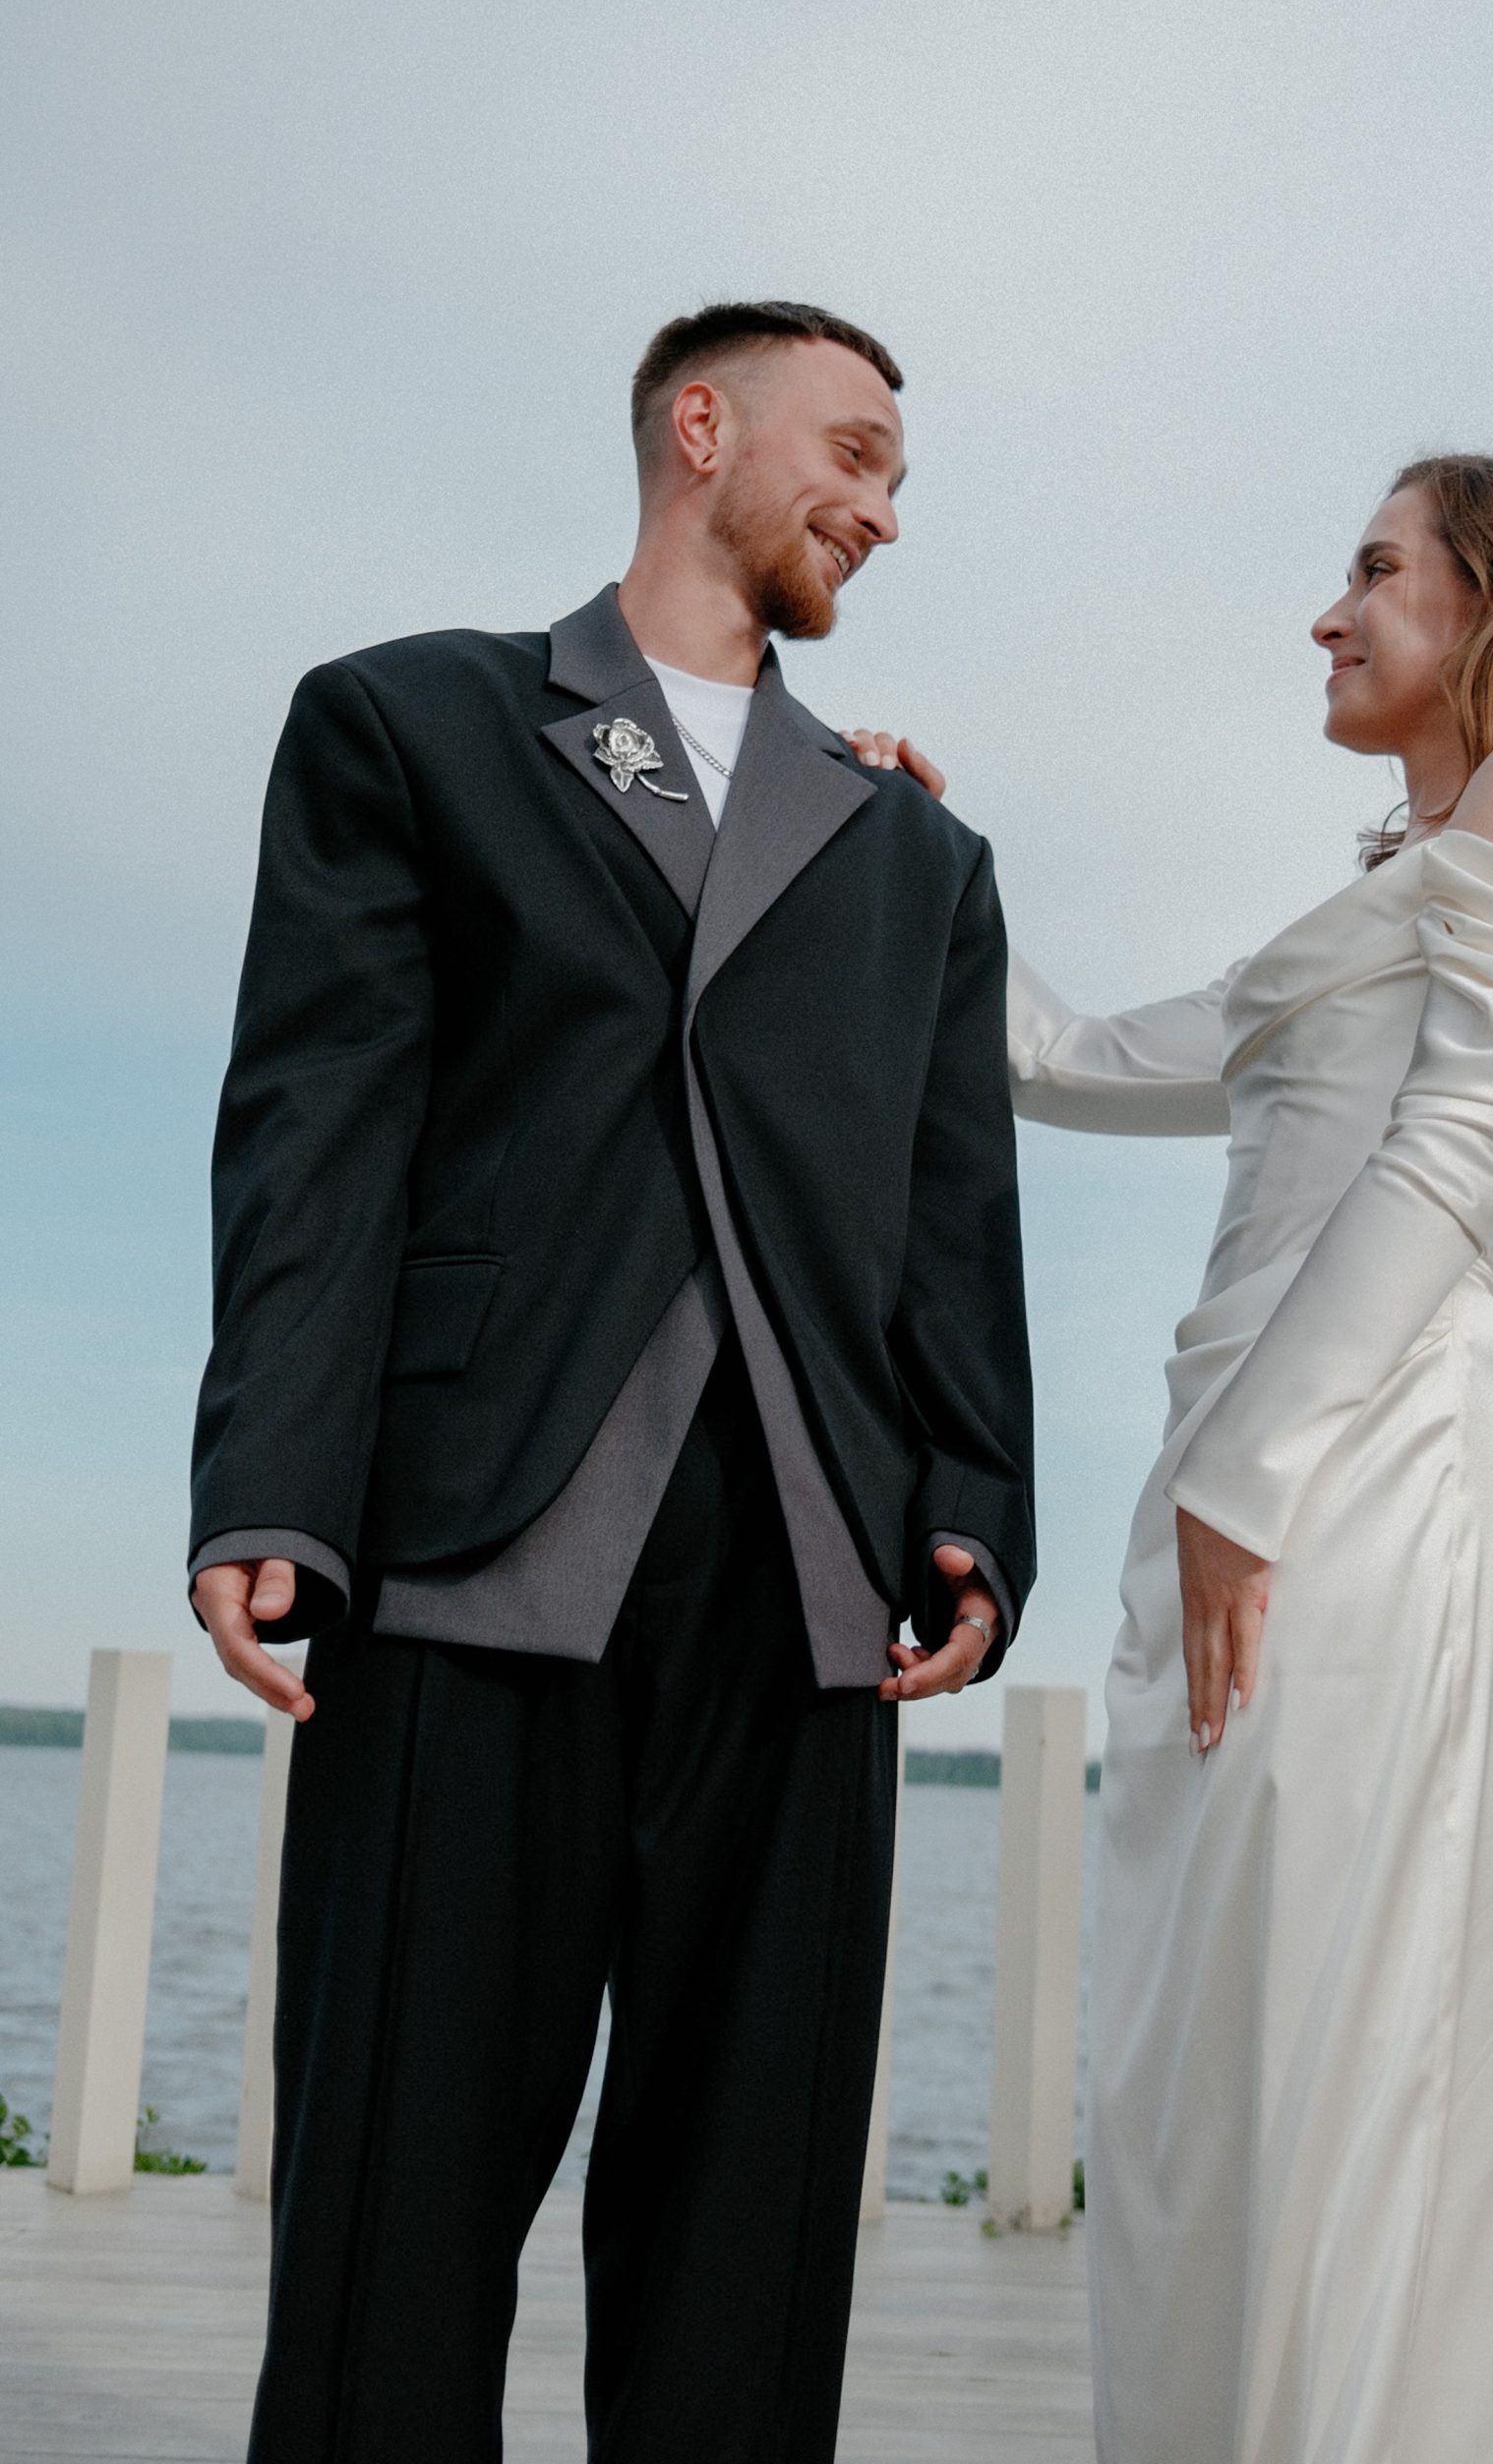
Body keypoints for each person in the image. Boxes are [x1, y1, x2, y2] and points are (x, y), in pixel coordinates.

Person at [187, 300, 1036, 2464]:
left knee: (749, 2242)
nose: (883, 508)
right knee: (393, 2202)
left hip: (809, 1581)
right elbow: (319, 1126)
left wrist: (973, 1496)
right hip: (474, 1542)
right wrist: (274, 1481)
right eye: (856, 452)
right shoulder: (412, 723)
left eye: (901, 478)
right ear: (701, 426)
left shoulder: (916, 853)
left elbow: (952, 1210)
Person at [848, 453, 1493, 2463]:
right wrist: (921, 853)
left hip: (1368, 1486)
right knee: (1220, 2053)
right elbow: (1066, 1058)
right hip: (1245, 1496)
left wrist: (1245, 1482)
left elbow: (1461, 1147)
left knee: (1353, 2037)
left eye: (1376, 570)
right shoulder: (1388, 891)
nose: (1329, 614)